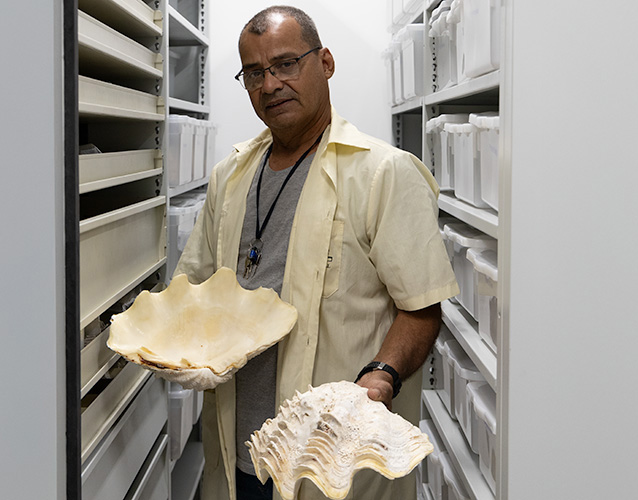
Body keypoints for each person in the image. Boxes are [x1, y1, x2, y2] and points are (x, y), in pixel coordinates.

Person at [174, 6, 459, 500]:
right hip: (242, 451)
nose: (270, 85)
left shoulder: (383, 174)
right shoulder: (230, 176)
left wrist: (382, 376)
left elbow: (422, 307)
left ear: (325, 62)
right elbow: (193, 293)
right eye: (255, 73)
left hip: (334, 459)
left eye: (286, 64)